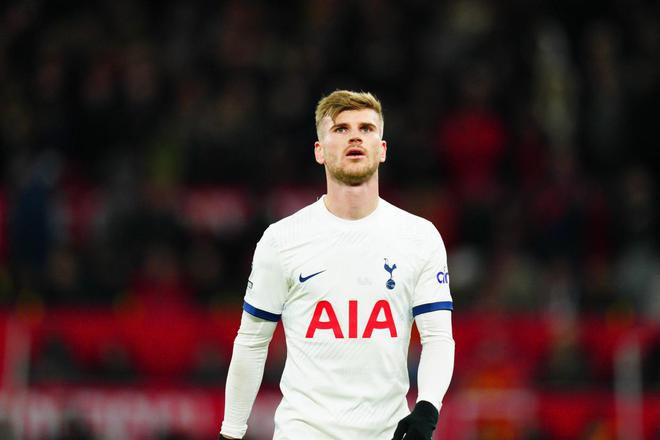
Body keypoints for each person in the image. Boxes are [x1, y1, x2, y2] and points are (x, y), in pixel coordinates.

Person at [219, 90, 455, 440]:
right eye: (341, 129)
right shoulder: (282, 240)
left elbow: (438, 337)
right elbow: (252, 342)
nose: (355, 136)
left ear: (382, 149)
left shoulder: (420, 238)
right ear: (319, 151)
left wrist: (427, 408)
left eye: (366, 128)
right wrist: (230, 433)